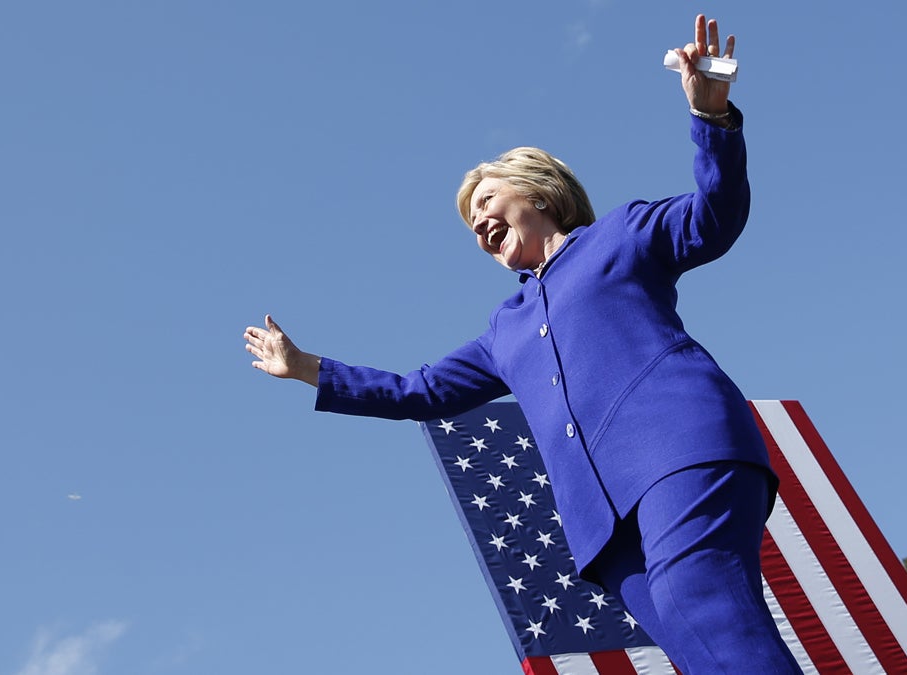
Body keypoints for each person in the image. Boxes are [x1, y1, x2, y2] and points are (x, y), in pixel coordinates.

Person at [243, 14, 801, 674]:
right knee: (702, 646)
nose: (477, 221)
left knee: (700, 601)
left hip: (680, 448)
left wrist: (711, 119)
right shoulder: (504, 329)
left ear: (539, 191)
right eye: (469, 223)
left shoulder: (620, 235)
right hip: (603, 526)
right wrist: (305, 366)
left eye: (485, 199)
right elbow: (419, 391)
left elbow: (714, 216)